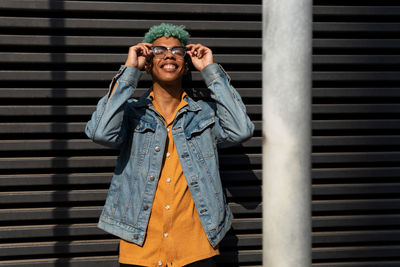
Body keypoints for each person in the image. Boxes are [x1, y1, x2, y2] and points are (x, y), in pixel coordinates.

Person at [85, 23, 254, 267]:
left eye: (177, 51)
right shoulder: (131, 114)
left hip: (196, 249)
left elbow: (241, 130)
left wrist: (210, 70)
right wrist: (131, 69)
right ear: (149, 63)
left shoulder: (204, 114)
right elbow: (100, 132)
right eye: (160, 50)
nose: (168, 55)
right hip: (141, 248)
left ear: (185, 64)